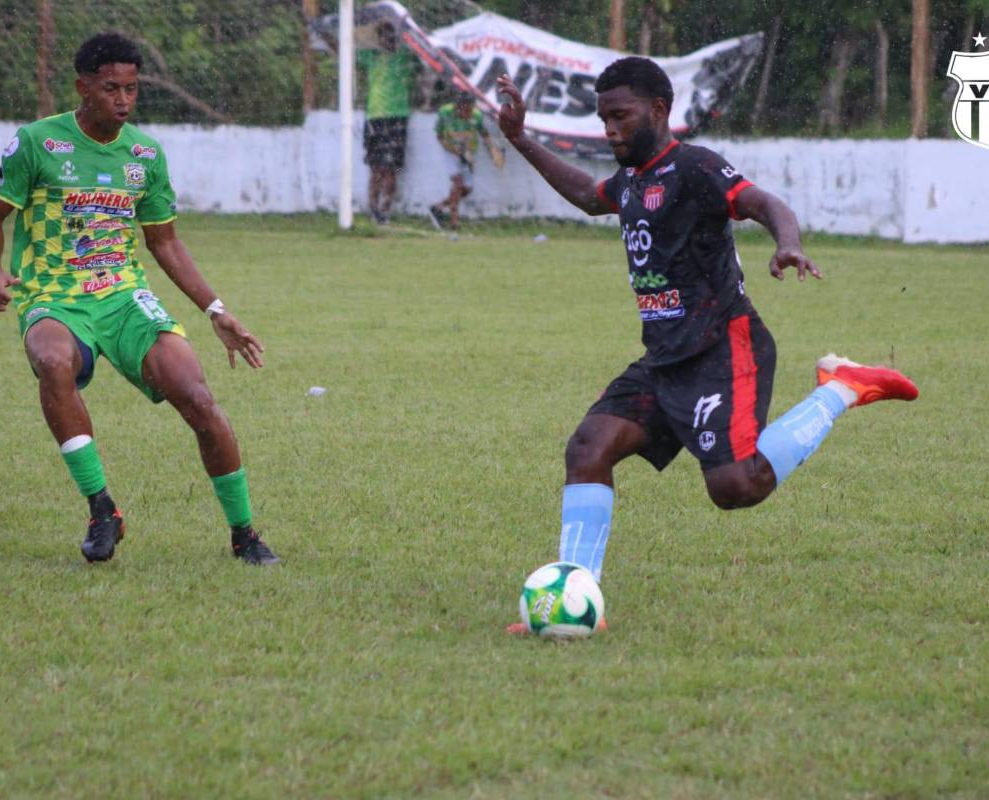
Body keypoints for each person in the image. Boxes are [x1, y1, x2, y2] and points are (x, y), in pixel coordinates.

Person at [495, 58, 918, 633]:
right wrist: (519, 138)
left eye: (620, 116)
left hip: (725, 348)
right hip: (665, 358)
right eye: (603, 119)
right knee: (588, 448)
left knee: (735, 488)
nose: (610, 129)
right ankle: (575, 599)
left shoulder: (694, 167)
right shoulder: (629, 181)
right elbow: (590, 196)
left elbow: (764, 203)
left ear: (659, 110)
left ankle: (842, 387)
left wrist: (787, 243)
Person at [0, 33, 279, 565]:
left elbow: (164, 241)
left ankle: (245, 535)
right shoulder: (38, 142)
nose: (123, 100)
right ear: (83, 86)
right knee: (52, 360)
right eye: (111, 87)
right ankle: (102, 509)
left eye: (132, 89)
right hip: (54, 294)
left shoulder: (144, 155)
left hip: (123, 295)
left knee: (199, 399)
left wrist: (216, 310)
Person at [357, 21, 414, 225]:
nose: (387, 40)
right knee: (375, 169)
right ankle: (373, 209)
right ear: (378, 39)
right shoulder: (371, 57)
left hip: (397, 116)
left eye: (391, 36)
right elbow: (344, 48)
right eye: (383, 36)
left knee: (390, 169)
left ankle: (384, 211)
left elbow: (418, 45)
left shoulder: (403, 56)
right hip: (375, 117)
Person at [429, 90, 503, 233]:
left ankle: (437, 208)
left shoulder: (476, 116)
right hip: (450, 151)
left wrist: (494, 151)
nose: (469, 113)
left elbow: (484, 134)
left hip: (469, 153)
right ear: (459, 107)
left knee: (467, 189)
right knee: (457, 181)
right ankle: (454, 221)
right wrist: (453, 149)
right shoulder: (445, 114)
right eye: (466, 109)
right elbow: (439, 136)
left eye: (471, 109)